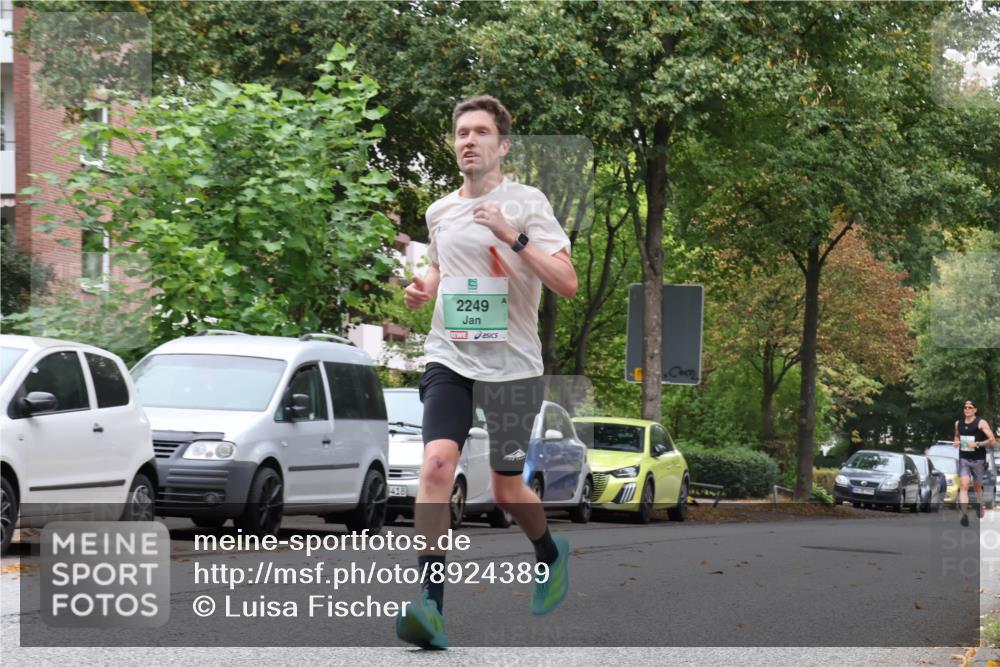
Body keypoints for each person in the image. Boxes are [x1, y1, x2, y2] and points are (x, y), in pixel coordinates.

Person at [395, 95, 578, 649]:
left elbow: (566, 283)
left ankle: (549, 551)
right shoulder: (439, 211)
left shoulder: (527, 203)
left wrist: (510, 234)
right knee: (436, 465)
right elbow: (440, 266)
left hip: (513, 365)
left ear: (503, 146)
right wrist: (423, 288)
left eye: (480, 132)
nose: (469, 140)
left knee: (504, 488)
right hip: (450, 356)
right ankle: (431, 608)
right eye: (461, 133)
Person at [954, 399, 997, 526]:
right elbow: (957, 436)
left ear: (975, 410)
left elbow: (992, 441)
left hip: (978, 459)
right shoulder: (958, 423)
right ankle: (964, 514)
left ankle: (979, 505)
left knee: (978, 486)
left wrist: (977, 444)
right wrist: (956, 441)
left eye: (970, 407)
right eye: (965, 407)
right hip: (964, 458)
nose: (967, 409)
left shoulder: (981, 423)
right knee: (964, 485)